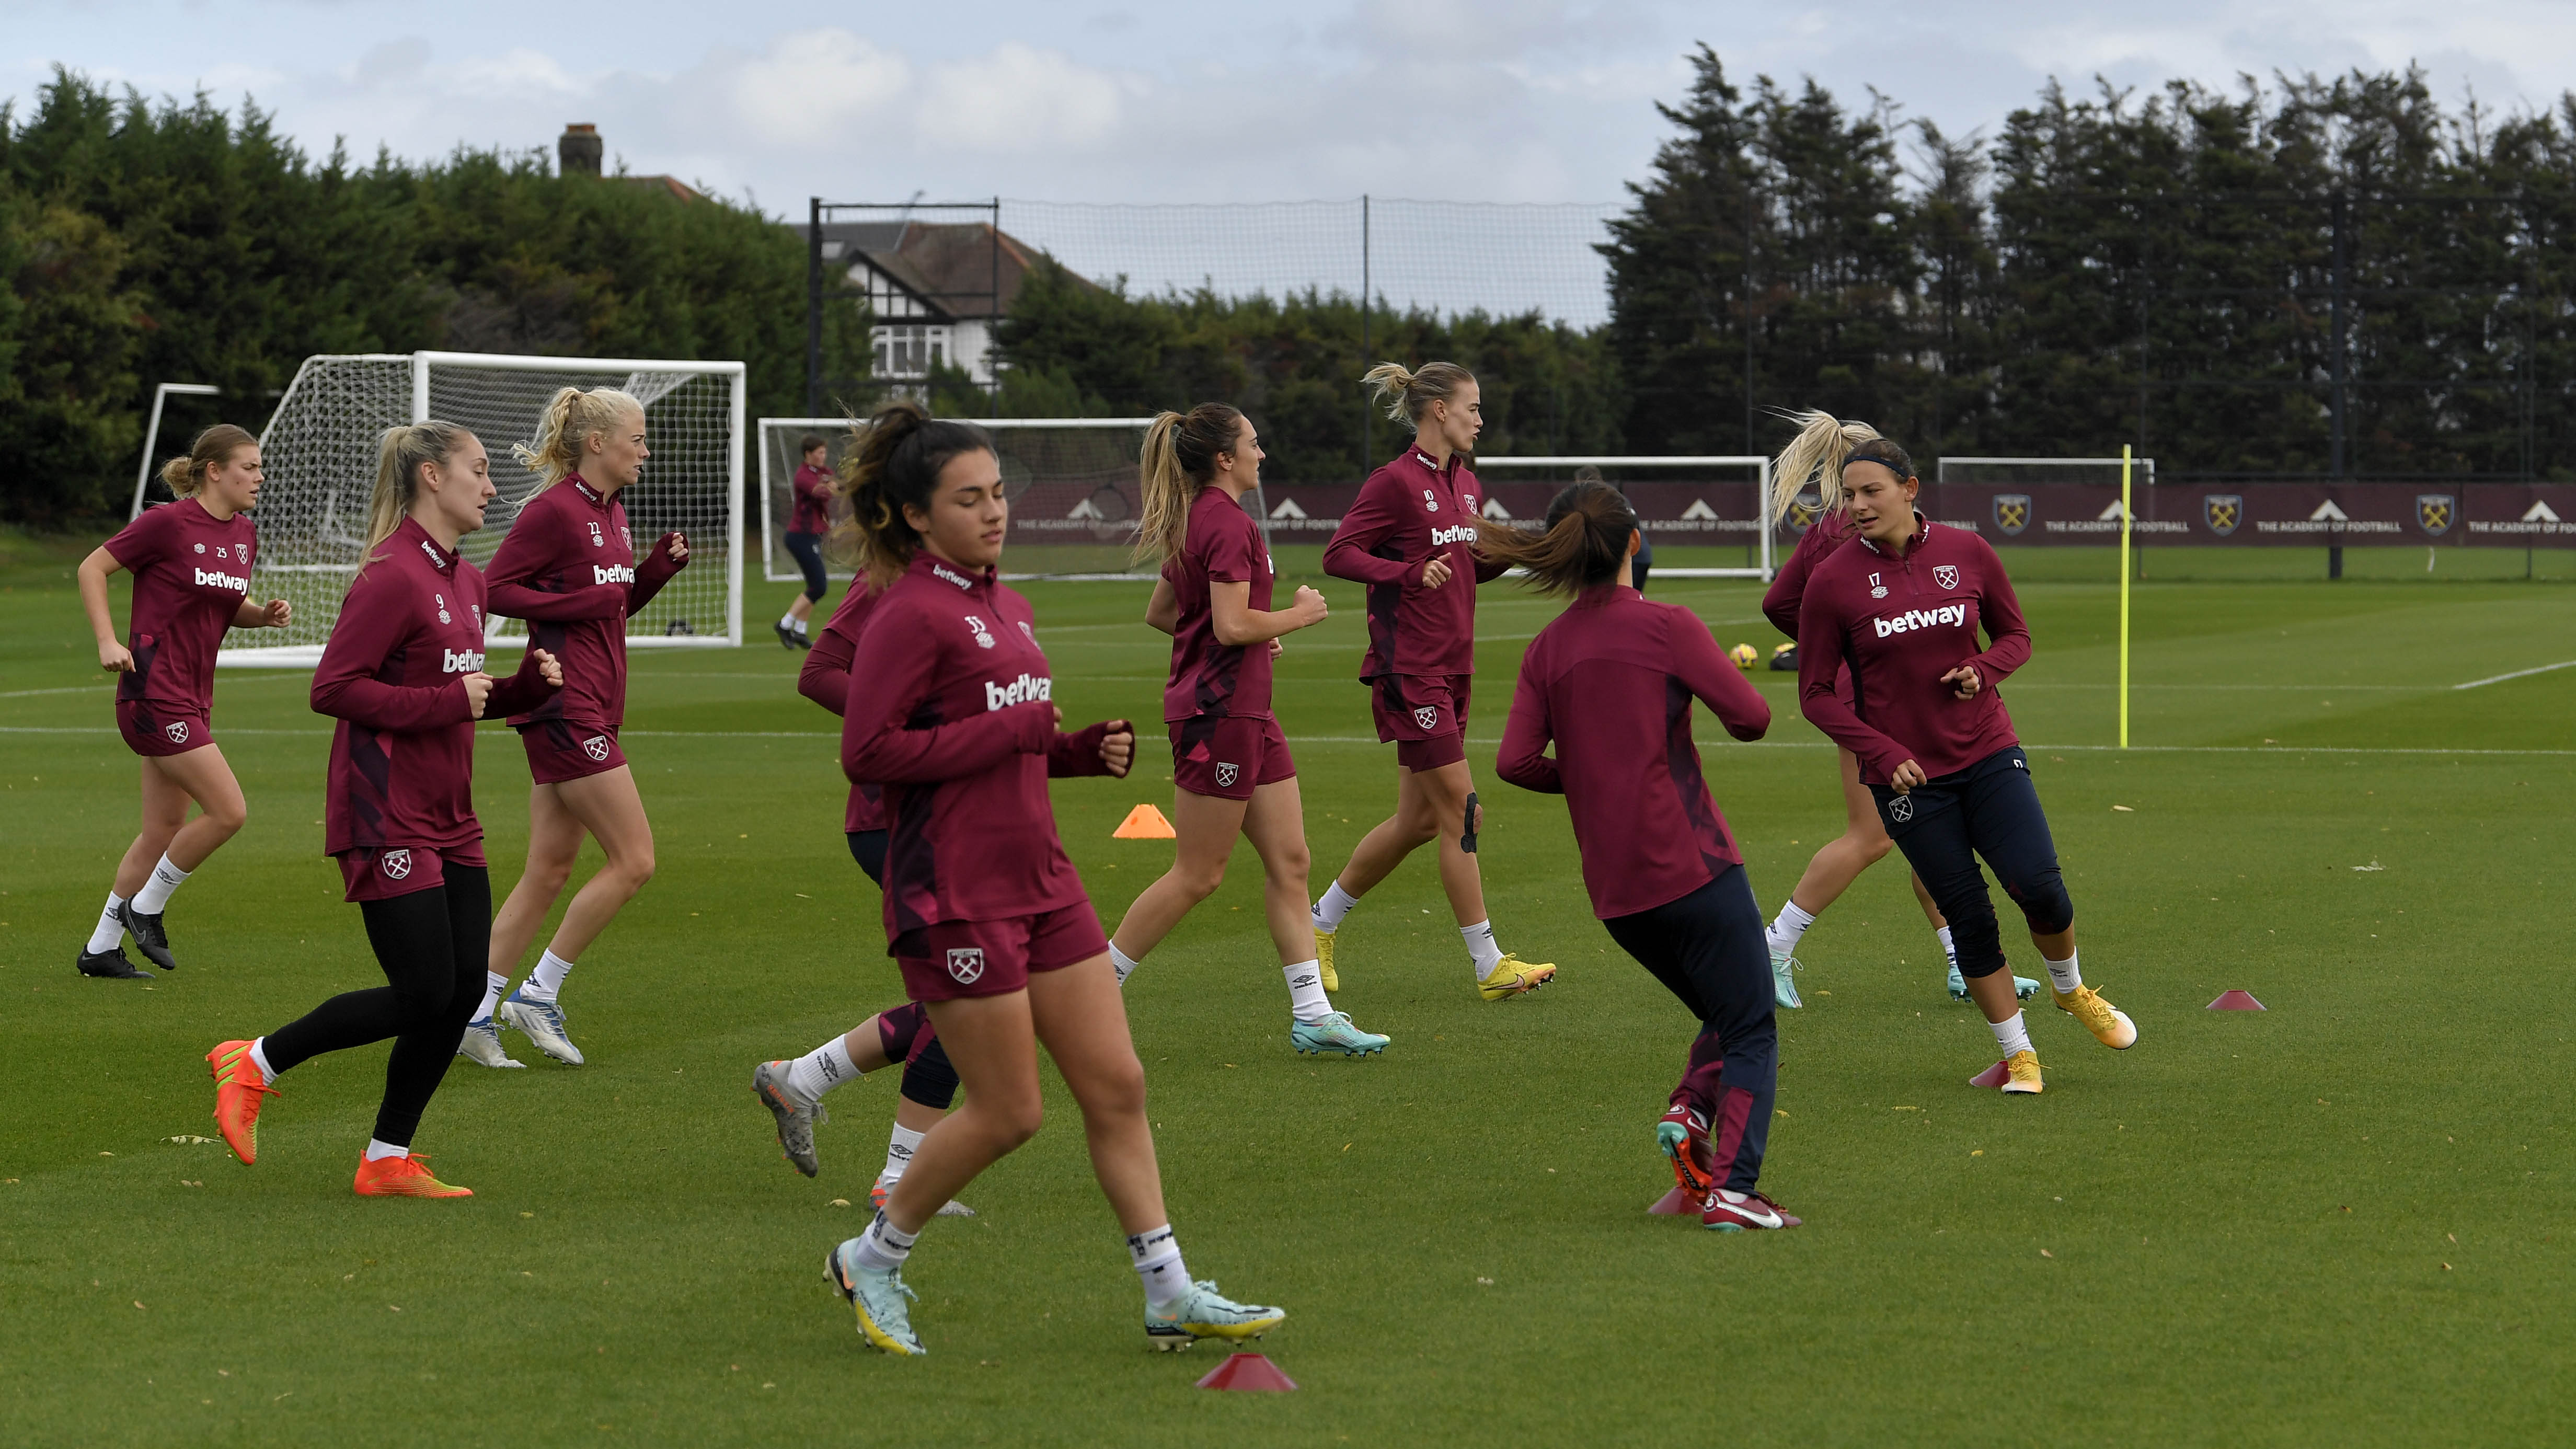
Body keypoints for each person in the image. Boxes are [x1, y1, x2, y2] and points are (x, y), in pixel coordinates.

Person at [823, 400, 1283, 1357]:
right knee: (1010, 1111)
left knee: (1116, 1083)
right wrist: (1020, 731)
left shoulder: (1006, 603)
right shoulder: (909, 611)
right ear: (915, 515)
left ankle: (1168, 1290)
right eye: (967, 499)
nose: (994, 513)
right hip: (954, 891)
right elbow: (868, 750)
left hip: (1041, 878)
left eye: (998, 494)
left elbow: (1004, 739)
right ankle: (873, 1255)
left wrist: (1070, 752)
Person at [205, 422, 562, 1195]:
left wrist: (521, 693)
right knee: (425, 992)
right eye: (479, 470)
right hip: (383, 809)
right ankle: (256, 1061)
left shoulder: (466, 581)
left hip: (451, 813)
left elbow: (459, 695)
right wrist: (446, 700)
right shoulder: (390, 575)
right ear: (432, 477)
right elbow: (332, 689)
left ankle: (385, 1160)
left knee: (465, 991)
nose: (492, 487)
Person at [1490, 479, 1799, 1231]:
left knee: (1728, 1012)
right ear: (1634, 542)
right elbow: (1754, 718)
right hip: (1692, 864)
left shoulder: (1546, 647)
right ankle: (1733, 1191)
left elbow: (1513, 762)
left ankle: (1689, 1111)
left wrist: (1593, 775)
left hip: (1618, 896)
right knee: (1752, 1023)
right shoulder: (1666, 624)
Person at [1792, 432, 2138, 1095]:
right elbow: (1811, 695)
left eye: (1871, 492)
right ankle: (2018, 1054)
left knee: (2039, 887)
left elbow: (2016, 637)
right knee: (1968, 916)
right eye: (1848, 495)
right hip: (1906, 781)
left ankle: (2070, 992)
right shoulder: (1832, 580)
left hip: (1987, 751)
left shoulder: (1967, 550)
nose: (1857, 506)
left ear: (1908, 490)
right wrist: (1881, 751)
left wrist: (1980, 670)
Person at [1111, 404, 1389, 1055]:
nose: (1263, 455)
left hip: (1245, 713)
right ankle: (1090, 989)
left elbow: (1169, 614)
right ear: (1224, 459)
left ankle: (1313, 1015)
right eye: (1254, 445)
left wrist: (1245, 642)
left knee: (1291, 863)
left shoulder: (1197, 520)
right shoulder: (1227, 523)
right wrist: (1296, 617)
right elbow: (1231, 624)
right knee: (1198, 874)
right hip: (1219, 717)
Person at [1757, 413, 2039, 1009]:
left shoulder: (1846, 525)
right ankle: (1772, 946)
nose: (1861, 500)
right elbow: (1790, 607)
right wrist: (1847, 654)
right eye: (1856, 490)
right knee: (1872, 838)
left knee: (1940, 839)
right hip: (1870, 711)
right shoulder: (1844, 536)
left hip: (1904, 704)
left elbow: (1781, 603)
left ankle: (1966, 964)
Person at [1313, 361, 1554, 1001]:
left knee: (1417, 823)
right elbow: (1338, 554)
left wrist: (1533, 552)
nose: (1480, 419)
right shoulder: (1392, 483)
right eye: (1472, 407)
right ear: (1438, 411)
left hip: (1453, 668)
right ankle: (1488, 965)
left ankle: (1319, 924)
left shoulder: (1467, 485)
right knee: (1462, 811)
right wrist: (1407, 573)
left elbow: (1467, 563)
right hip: (1408, 669)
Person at [473, 386, 689, 1068]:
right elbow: (493, 588)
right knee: (636, 860)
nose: (645, 452)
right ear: (598, 443)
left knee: (549, 869)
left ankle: (473, 1013)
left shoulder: (614, 513)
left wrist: (652, 571)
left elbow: (610, 606)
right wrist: (576, 602)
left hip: (589, 704)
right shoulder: (554, 511)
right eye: (638, 439)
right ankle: (538, 992)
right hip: (567, 705)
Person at [750, 567, 974, 1215]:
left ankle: (802, 1079)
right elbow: (817, 671)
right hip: (898, 820)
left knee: (973, 998)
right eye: (969, 492)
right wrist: (907, 726)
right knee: (965, 996)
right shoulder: (893, 571)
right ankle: (902, 1181)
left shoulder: (976, 583)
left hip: (957, 820)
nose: (992, 510)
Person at [73, 425, 292, 979]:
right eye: (249, 467)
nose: (260, 477)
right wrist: (107, 640)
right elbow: (92, 568)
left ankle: (100, 948)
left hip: (194, 696)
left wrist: (259, 616)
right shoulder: (166, 524)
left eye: (261, 467)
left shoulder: (244, 533)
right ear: (214, 471)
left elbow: (222, 600)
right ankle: (145, 907)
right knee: (229, 811)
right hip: (153, 692)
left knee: (162, 831)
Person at [777, 434, 833, 649]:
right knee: (819, 586)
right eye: (819, 452)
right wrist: (831, 486)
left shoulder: (820, 472)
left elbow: (833, 481)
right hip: (800, 536)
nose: (823, 456)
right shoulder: (803, 476)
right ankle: (785, 624)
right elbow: (823, 493)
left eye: (824, 452)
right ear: (808, 455)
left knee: (814, 586)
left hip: (812, 536)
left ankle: (800, 630)